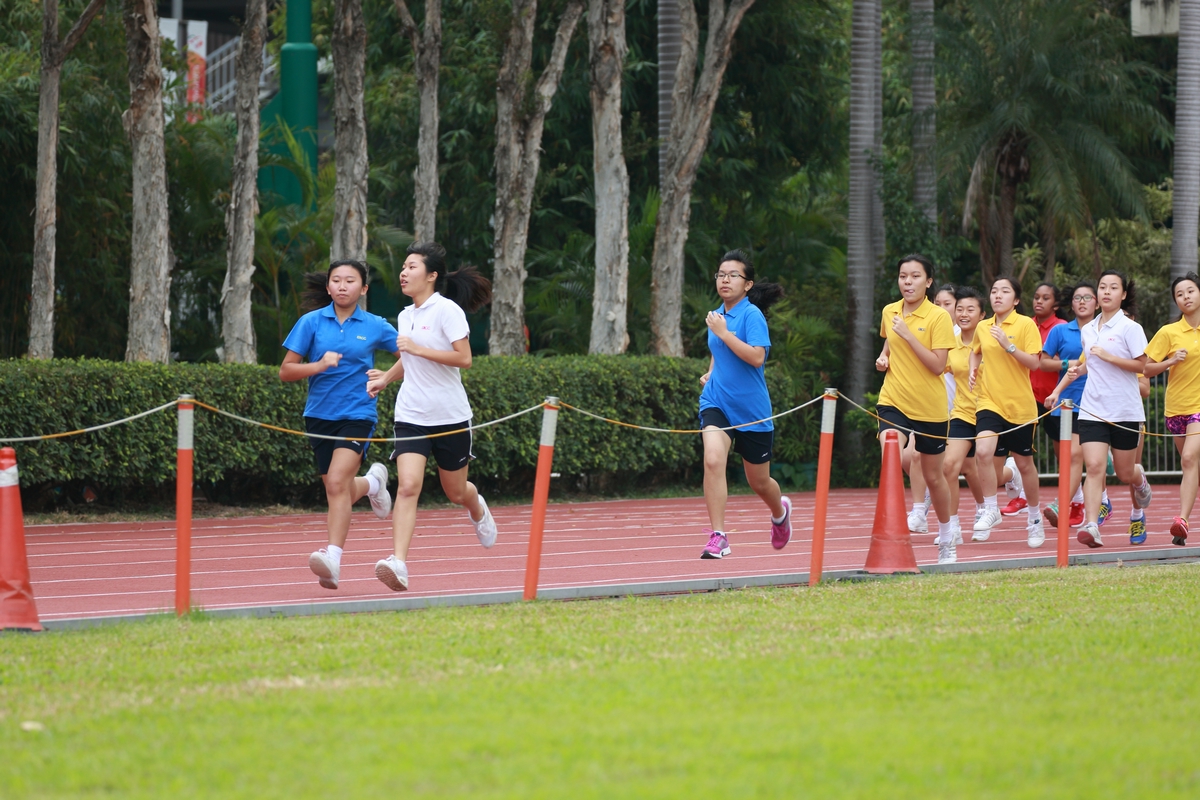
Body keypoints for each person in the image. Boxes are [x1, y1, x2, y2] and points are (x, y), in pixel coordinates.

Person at [365, 242, 498, 590]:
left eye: (412, 267)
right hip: (411, 414)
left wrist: (418, 348)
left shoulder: (447, 311)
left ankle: (477, 507)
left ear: (431, 275)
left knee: (456, 492)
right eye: (403, 267)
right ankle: (398, 563)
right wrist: (386, 378)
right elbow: (409, 360)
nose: (404, 272)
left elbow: (464, 359)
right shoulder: (405, 315)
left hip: (449, 415)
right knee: (408, 486)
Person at [280, 260, 401, 590]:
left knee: (335, 483)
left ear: (363, 289)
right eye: (336, 280)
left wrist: (387, 376)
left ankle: (332, 560)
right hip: (319, 415)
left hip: (358, 414)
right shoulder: (311, 322)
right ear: (328, 287)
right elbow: (286, 370)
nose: (342, 286)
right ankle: (373, 484)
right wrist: (318, 365)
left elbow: (411, 357)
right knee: (339, 489)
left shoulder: (376, 325)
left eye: (350, 281)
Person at [697, 250, 791, 559]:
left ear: (747, 284)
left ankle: (780, 513)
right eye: (721, 274)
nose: (725, 280)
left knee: (759, 482)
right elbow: (719, 352)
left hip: (751, 411)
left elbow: (757, 357)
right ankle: (719, 536)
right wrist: (712, 372)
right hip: (717, 402)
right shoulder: (717, 315)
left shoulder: (752, 316)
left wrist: (724, 333)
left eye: (733, 275)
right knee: (713, 459)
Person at [874, 254, 958, 563]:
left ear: (928, 281)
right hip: (893, 399)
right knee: (891, 453)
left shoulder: (938, 317)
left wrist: (909, 335)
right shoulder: (890, 311)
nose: (907, 282)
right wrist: (884, 357)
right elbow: (889, 343)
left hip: (930, 407)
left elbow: (937, 366)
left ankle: (947, 535)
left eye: (915, 276)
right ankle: (893, 532)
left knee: (934, 477)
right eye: (903, 276)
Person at [1067, 269, 1152, 548]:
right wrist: (1079, 370)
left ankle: (1139, 479)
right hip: (1092, 409)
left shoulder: (1130, 328)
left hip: (1125, 410)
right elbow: (1091, 362)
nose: (1106, 292)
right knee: (1094, 467)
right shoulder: (1088, 329)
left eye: (1113, 287)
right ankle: (1092, 526)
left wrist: (1109, 356)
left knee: (1125, 473)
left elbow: (1143, 366)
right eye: (1102, 287)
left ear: (1123, 294)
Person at [969, 277, 1045, 547]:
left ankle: (1034, 518)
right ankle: (990, 509)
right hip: (989, 402)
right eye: (993, 291)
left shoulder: (1025, 324)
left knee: (1024, 464)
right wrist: (973, 368)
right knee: (983, 452)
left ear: (1016, 300)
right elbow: (976, 351)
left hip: (1020, 407)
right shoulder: (983, 326)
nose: (997, 295)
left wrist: (1008, 345)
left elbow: (1034, 364)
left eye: (1004, 292)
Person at [996, 282, 1066, 517]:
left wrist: (1057, 363)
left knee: (1063, 452)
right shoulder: (1024, 324)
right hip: (1028, 396)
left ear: (1055, 304)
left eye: (1045, 298)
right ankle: (1023, 497)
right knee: (1021, 452)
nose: (1039, 301)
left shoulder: (1060, 328)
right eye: (1036, 297)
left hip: (1055, 398)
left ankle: (1071, 500)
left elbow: (1057, 361)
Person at [1143, 272, 1200, 546]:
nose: (1186, 297)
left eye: (1190, 291)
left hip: (1198, 408)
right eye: (1180, 294)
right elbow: (1147, 369)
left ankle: (1182, 520)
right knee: (1192, 466)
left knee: (1188, 459)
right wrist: (1170, 361)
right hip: (1176, 409)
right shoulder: (1168, 332)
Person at [1041, 282, 1102, 529]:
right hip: (1069, 404)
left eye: (1088, 297)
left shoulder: (1105, 330)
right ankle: (1068, 503)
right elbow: (1044, 363)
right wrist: (1069, 364)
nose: (1082, 301)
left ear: (1097, 302)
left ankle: (1067, 502)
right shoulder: (1060, 331)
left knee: (1086, 458)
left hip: (1099, 403)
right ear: (1072, 303)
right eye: (1077, 298)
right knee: (1071, 456)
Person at [906, 284, 960, 533]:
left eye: (947, 304)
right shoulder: (927, 328)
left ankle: (1006, 477)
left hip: (959, 411)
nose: (941, 308)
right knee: (913, 457)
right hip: (928, 406)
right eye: (937, 304)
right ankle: (920, 510)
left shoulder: (963, 334)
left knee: (965, 468)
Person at [941, 286, 987, 548]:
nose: (964, 314)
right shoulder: (951, 345)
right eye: (960, 309)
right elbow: (934, 369)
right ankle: (953, 526)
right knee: (949, 466)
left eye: (971, 309)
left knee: (990, 470)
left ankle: (1010, 476)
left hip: (991, 412)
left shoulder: (991, 342)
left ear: (982, 315)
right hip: (962, 413)